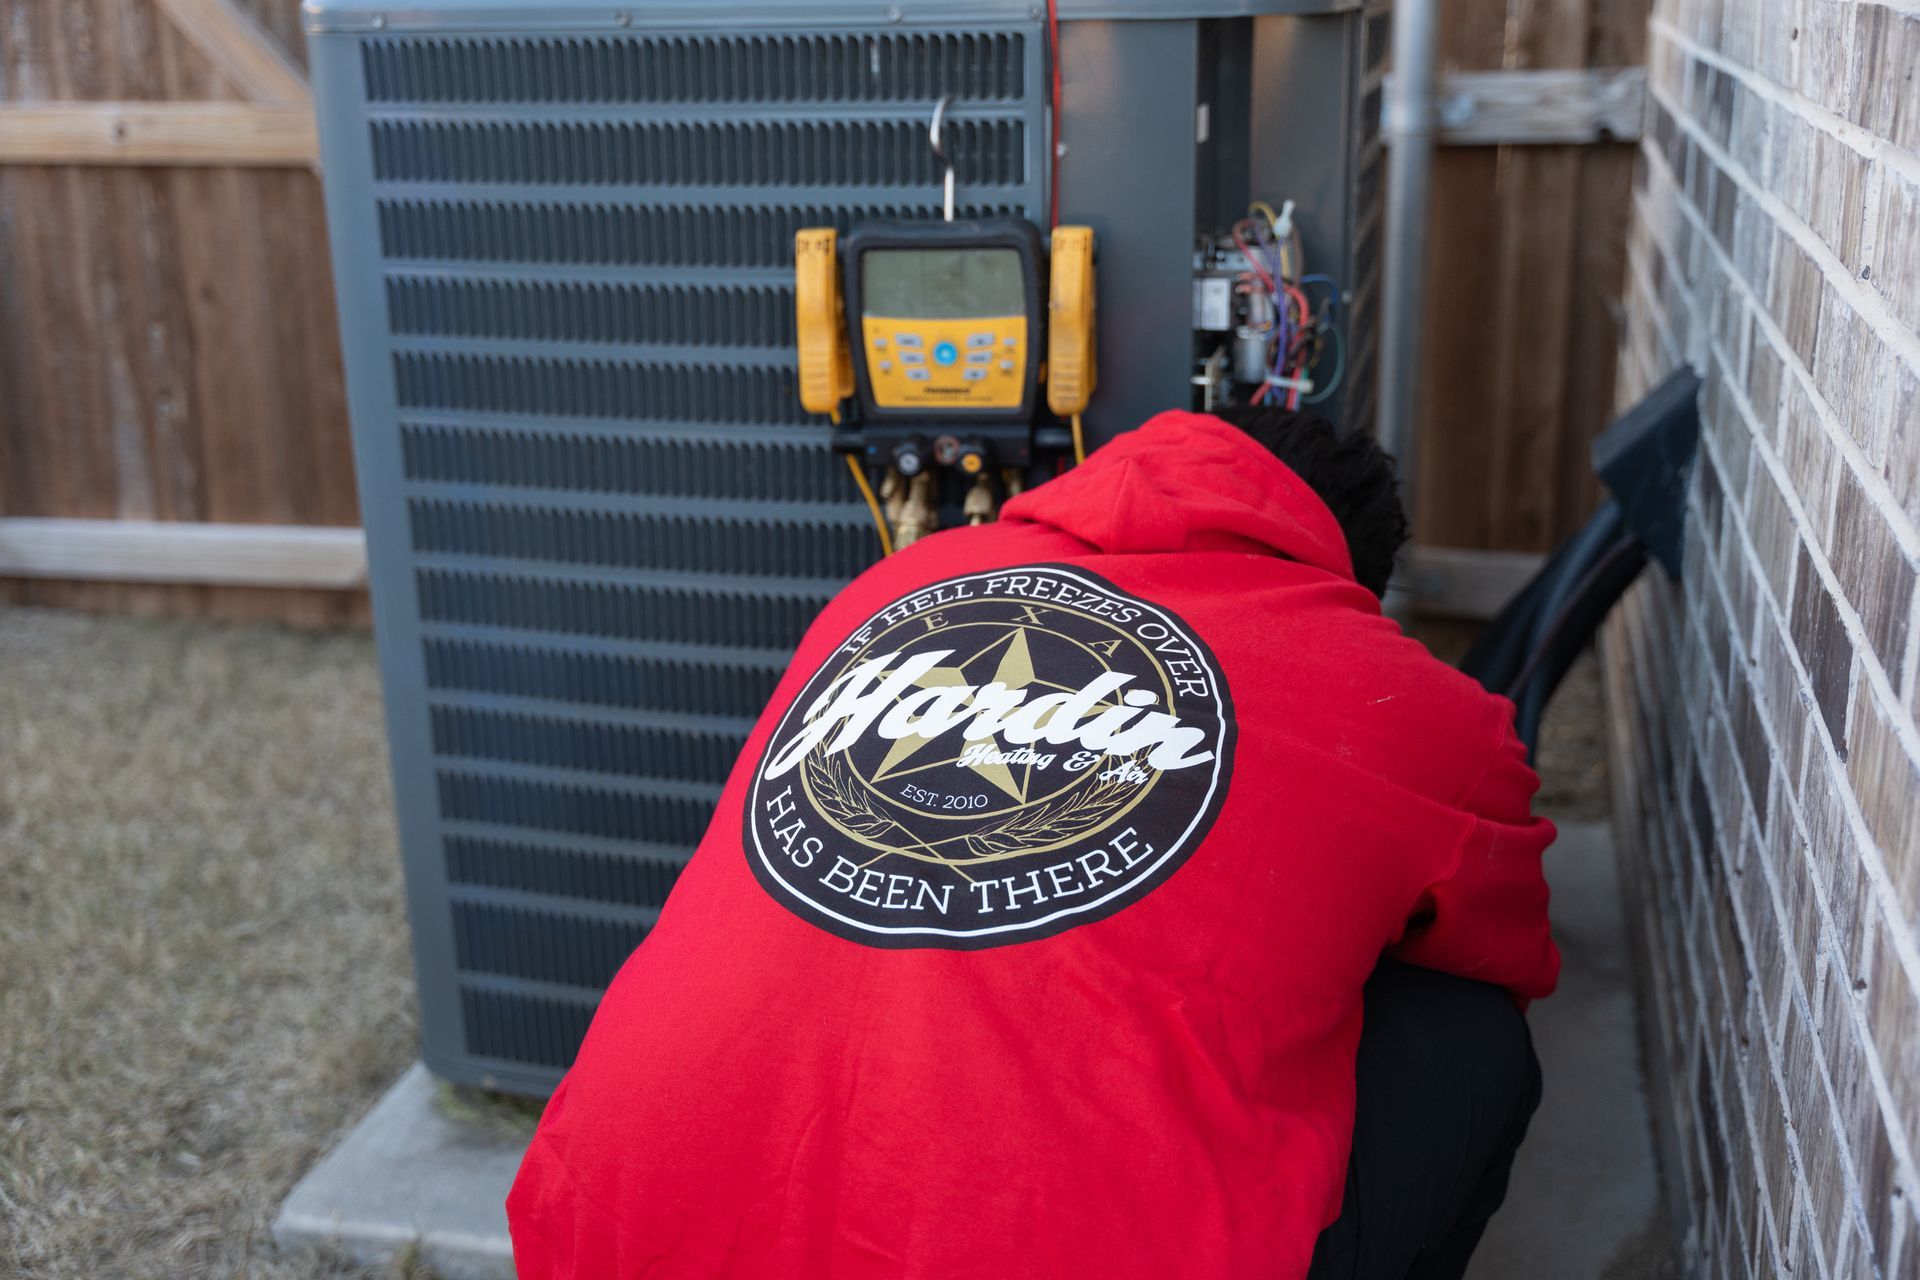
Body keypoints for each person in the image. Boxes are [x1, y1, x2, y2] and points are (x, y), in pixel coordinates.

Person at [507, 408, 1559, 1280]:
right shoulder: (1412, 702)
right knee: (1475, 1040)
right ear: (1349, 570)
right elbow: (1500, 950)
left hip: (606, 1229)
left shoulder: (899, 581)